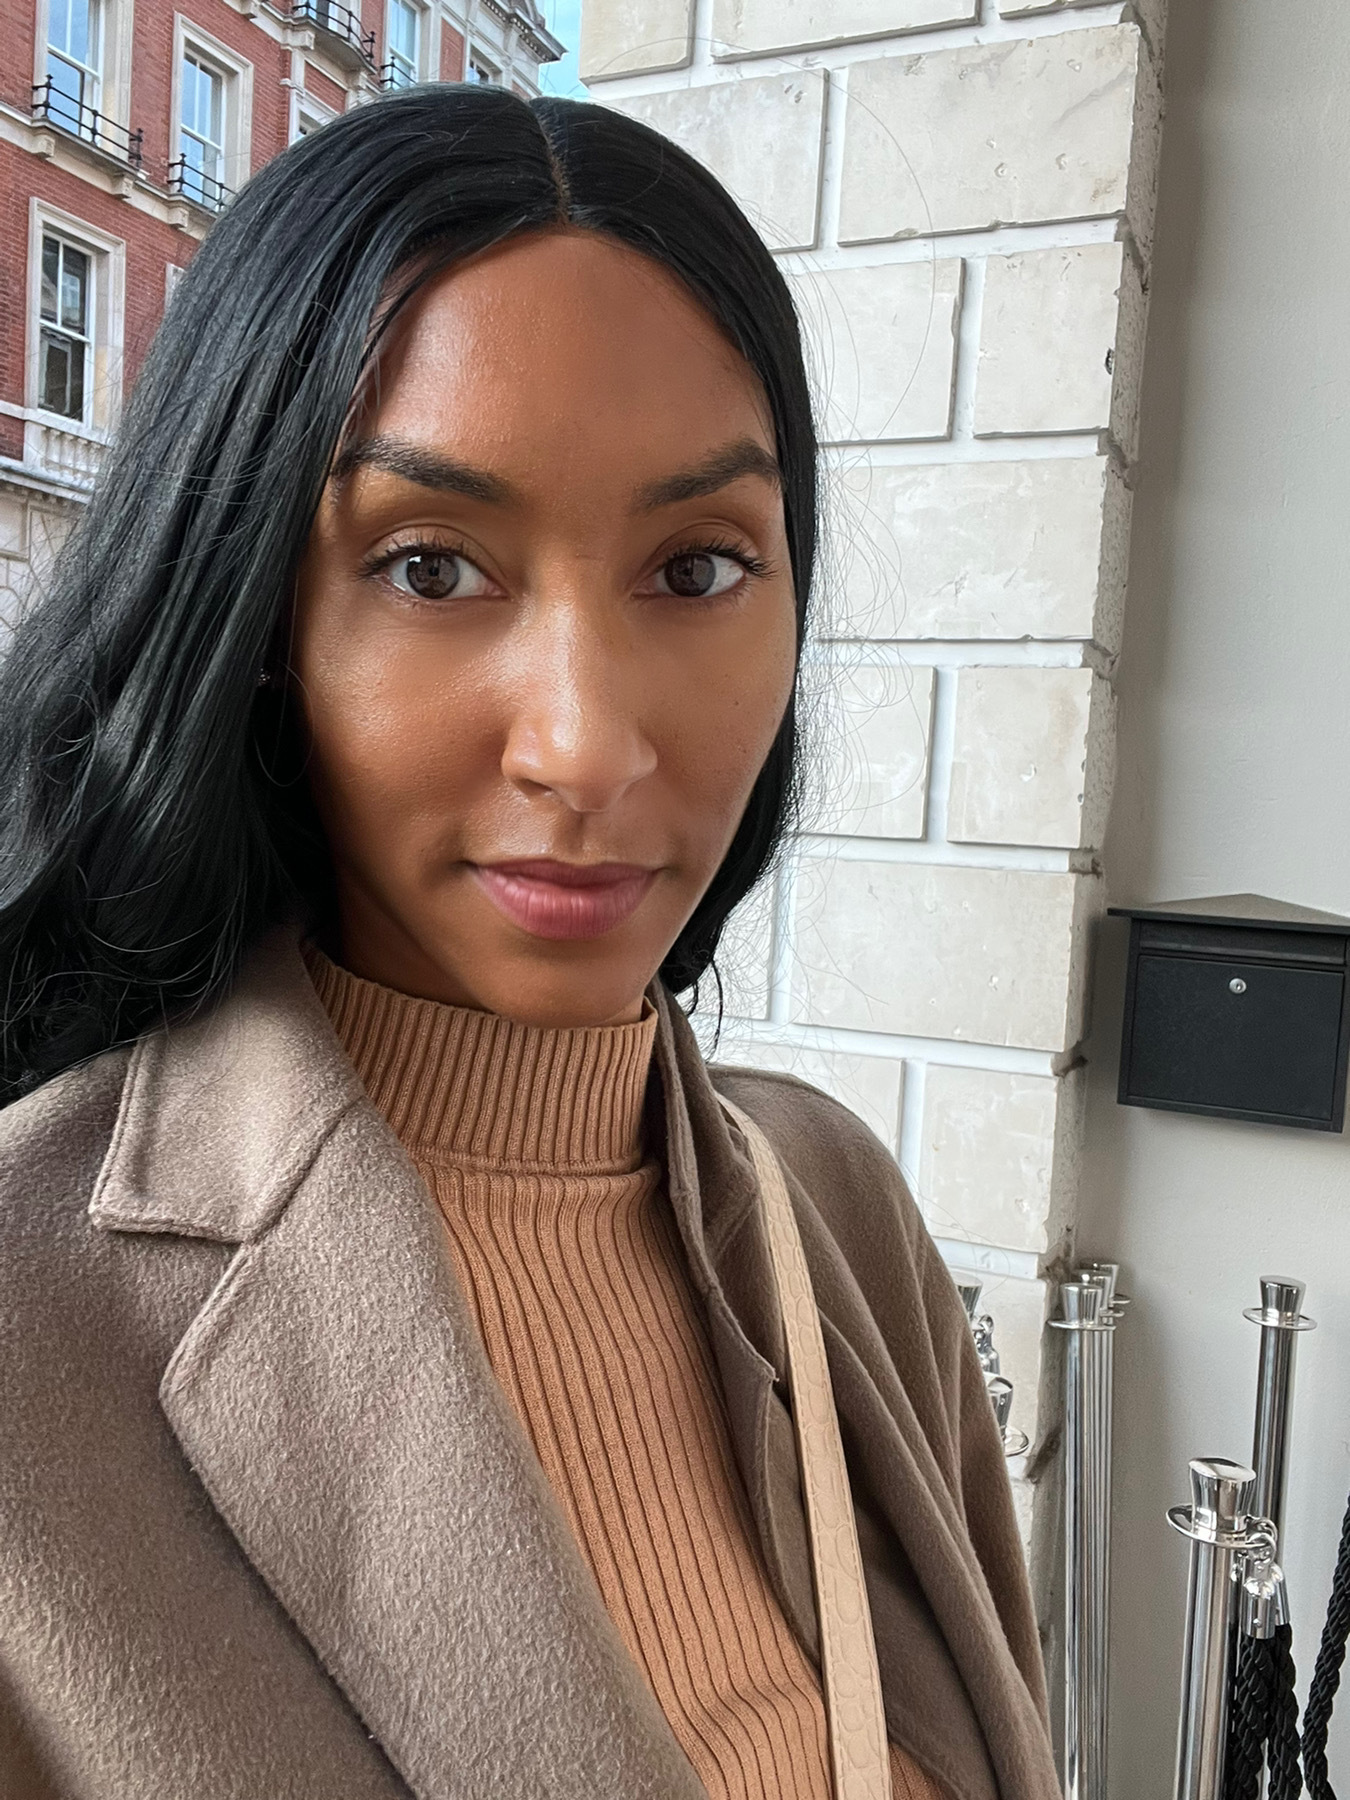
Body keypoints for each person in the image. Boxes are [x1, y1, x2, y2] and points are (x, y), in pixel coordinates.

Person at [0, 86, 1060, 1800]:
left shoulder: (835, 1211)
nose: (585, 743)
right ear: (261, 615)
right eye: (431, 568)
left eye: (698, 568)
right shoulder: (30, 1322)